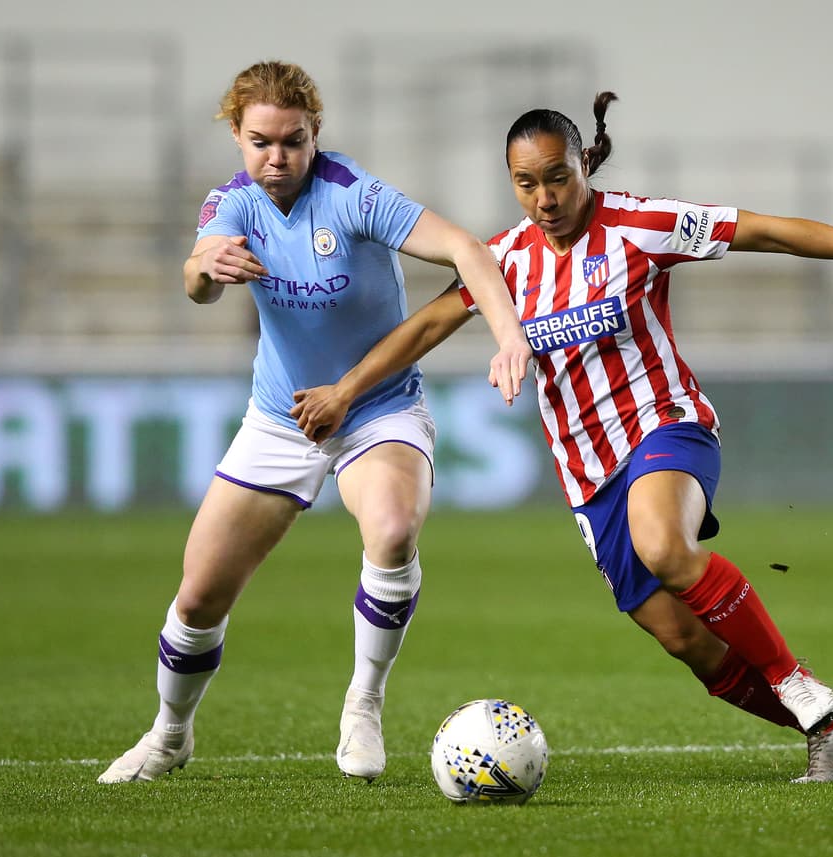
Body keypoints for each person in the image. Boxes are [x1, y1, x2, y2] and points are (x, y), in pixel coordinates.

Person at [290, 92, 833, 783]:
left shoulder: (640, 224)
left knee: (664, 542)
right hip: (587, 475)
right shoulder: (505, 261)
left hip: (666, 426)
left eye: (557, 177)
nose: (543, 197)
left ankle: (796, 679)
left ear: (584, 165)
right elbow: (426, 326)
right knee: (685, 638)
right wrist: (345, 390)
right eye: (525, 183)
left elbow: (760, 230)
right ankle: (828, 726)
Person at [97, 60, 531, 784]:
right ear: (236, 134)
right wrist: (208, 268)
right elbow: (196, 279)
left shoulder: (351, 194)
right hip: (279, 419)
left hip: (377, 409)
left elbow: (467, 248)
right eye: (261, 141)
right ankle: (170, 734)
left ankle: (363, 703)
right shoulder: (232, 203)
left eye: (293, 141)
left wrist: (509, 333)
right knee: (199, 595)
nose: (278, 157)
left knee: (393, 529)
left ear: (314, 133)